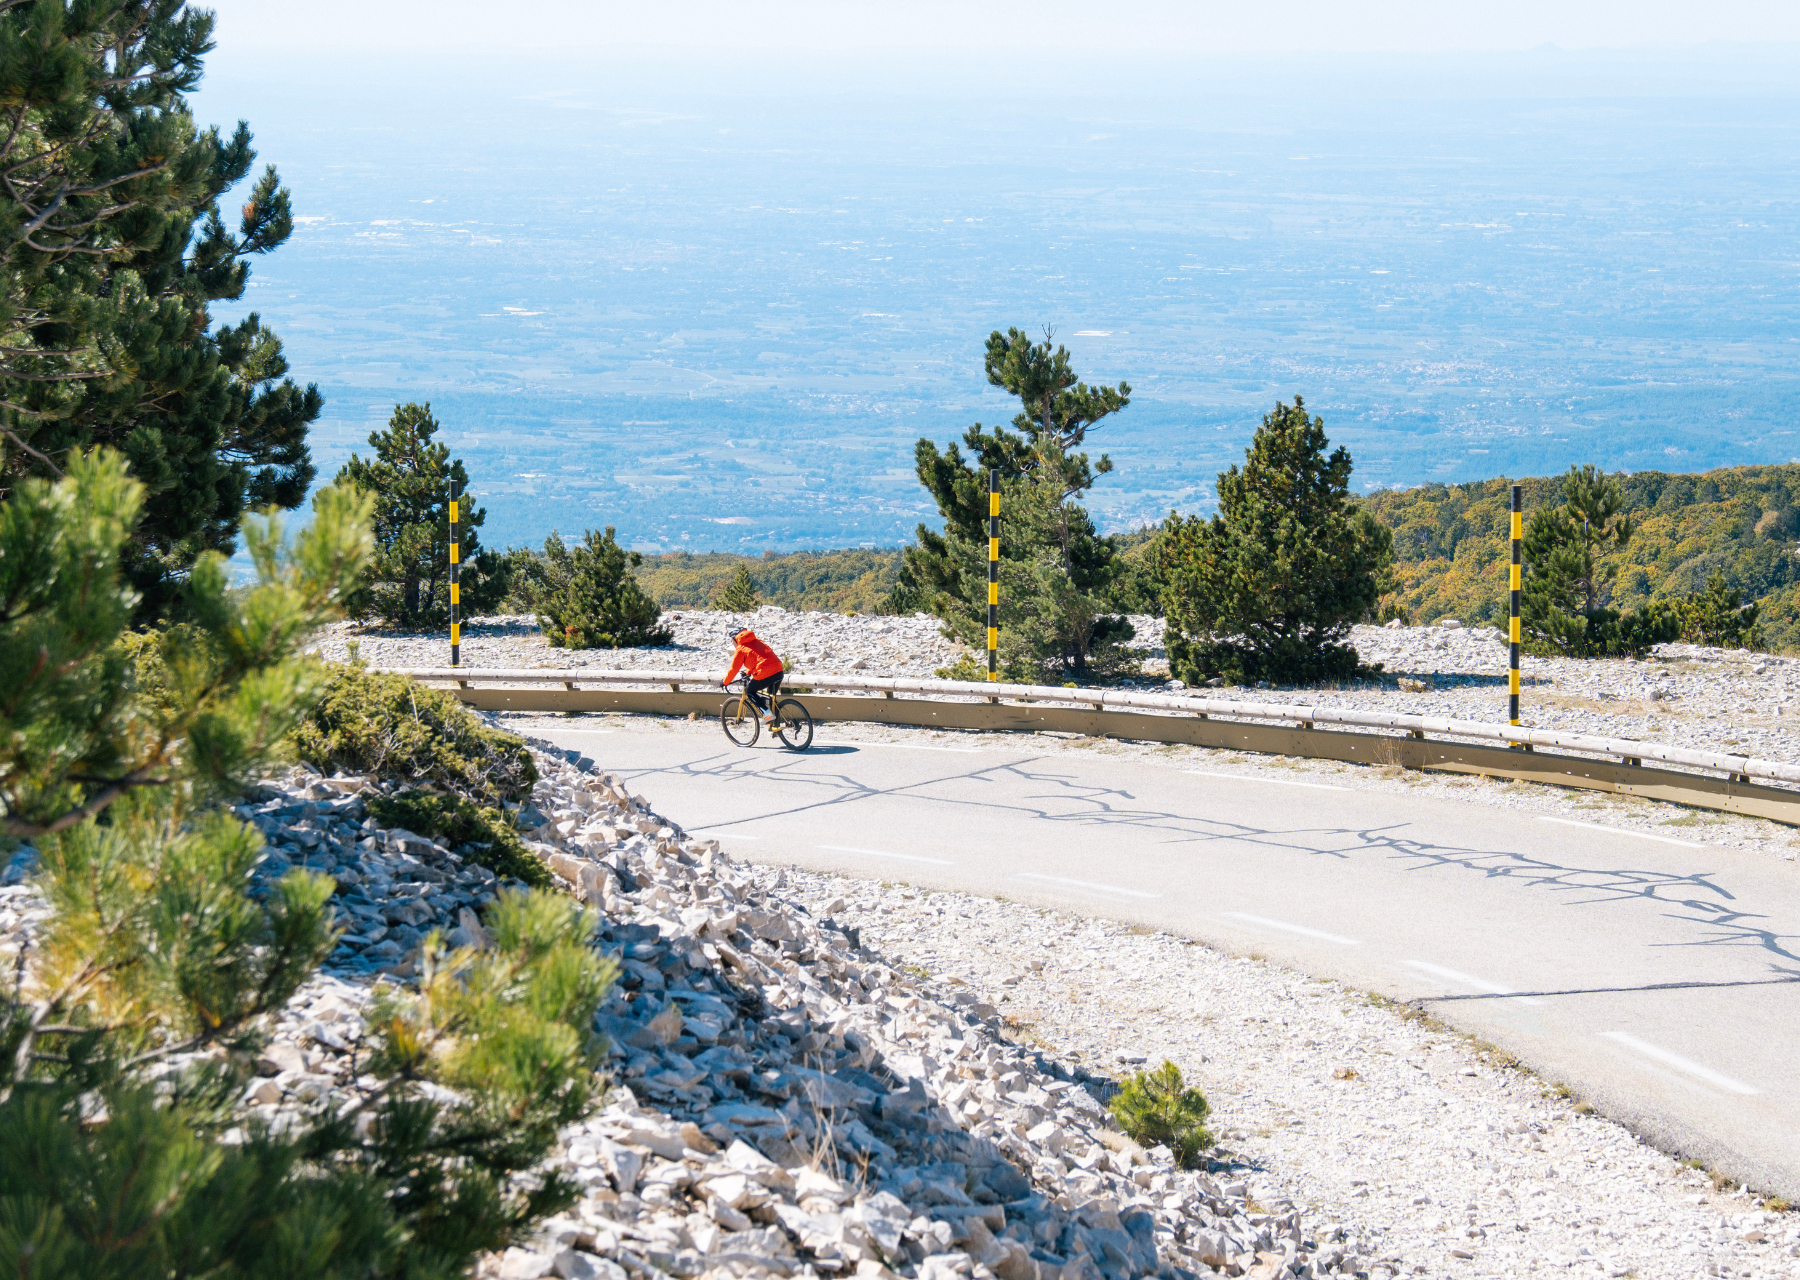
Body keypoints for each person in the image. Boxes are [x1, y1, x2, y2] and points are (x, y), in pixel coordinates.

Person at [723, 625, 785, 727]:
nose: (732, 644)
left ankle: (767, 714)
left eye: (732, 641)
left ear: (735, 639)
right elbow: (761, 659)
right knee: (770, 699)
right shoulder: (757, 641)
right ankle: (775, 728)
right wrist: (748, 672)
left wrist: (725, 682)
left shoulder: (740, 649)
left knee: (749, 691)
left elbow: (733, 670)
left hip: (765, 673)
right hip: (778, 670)